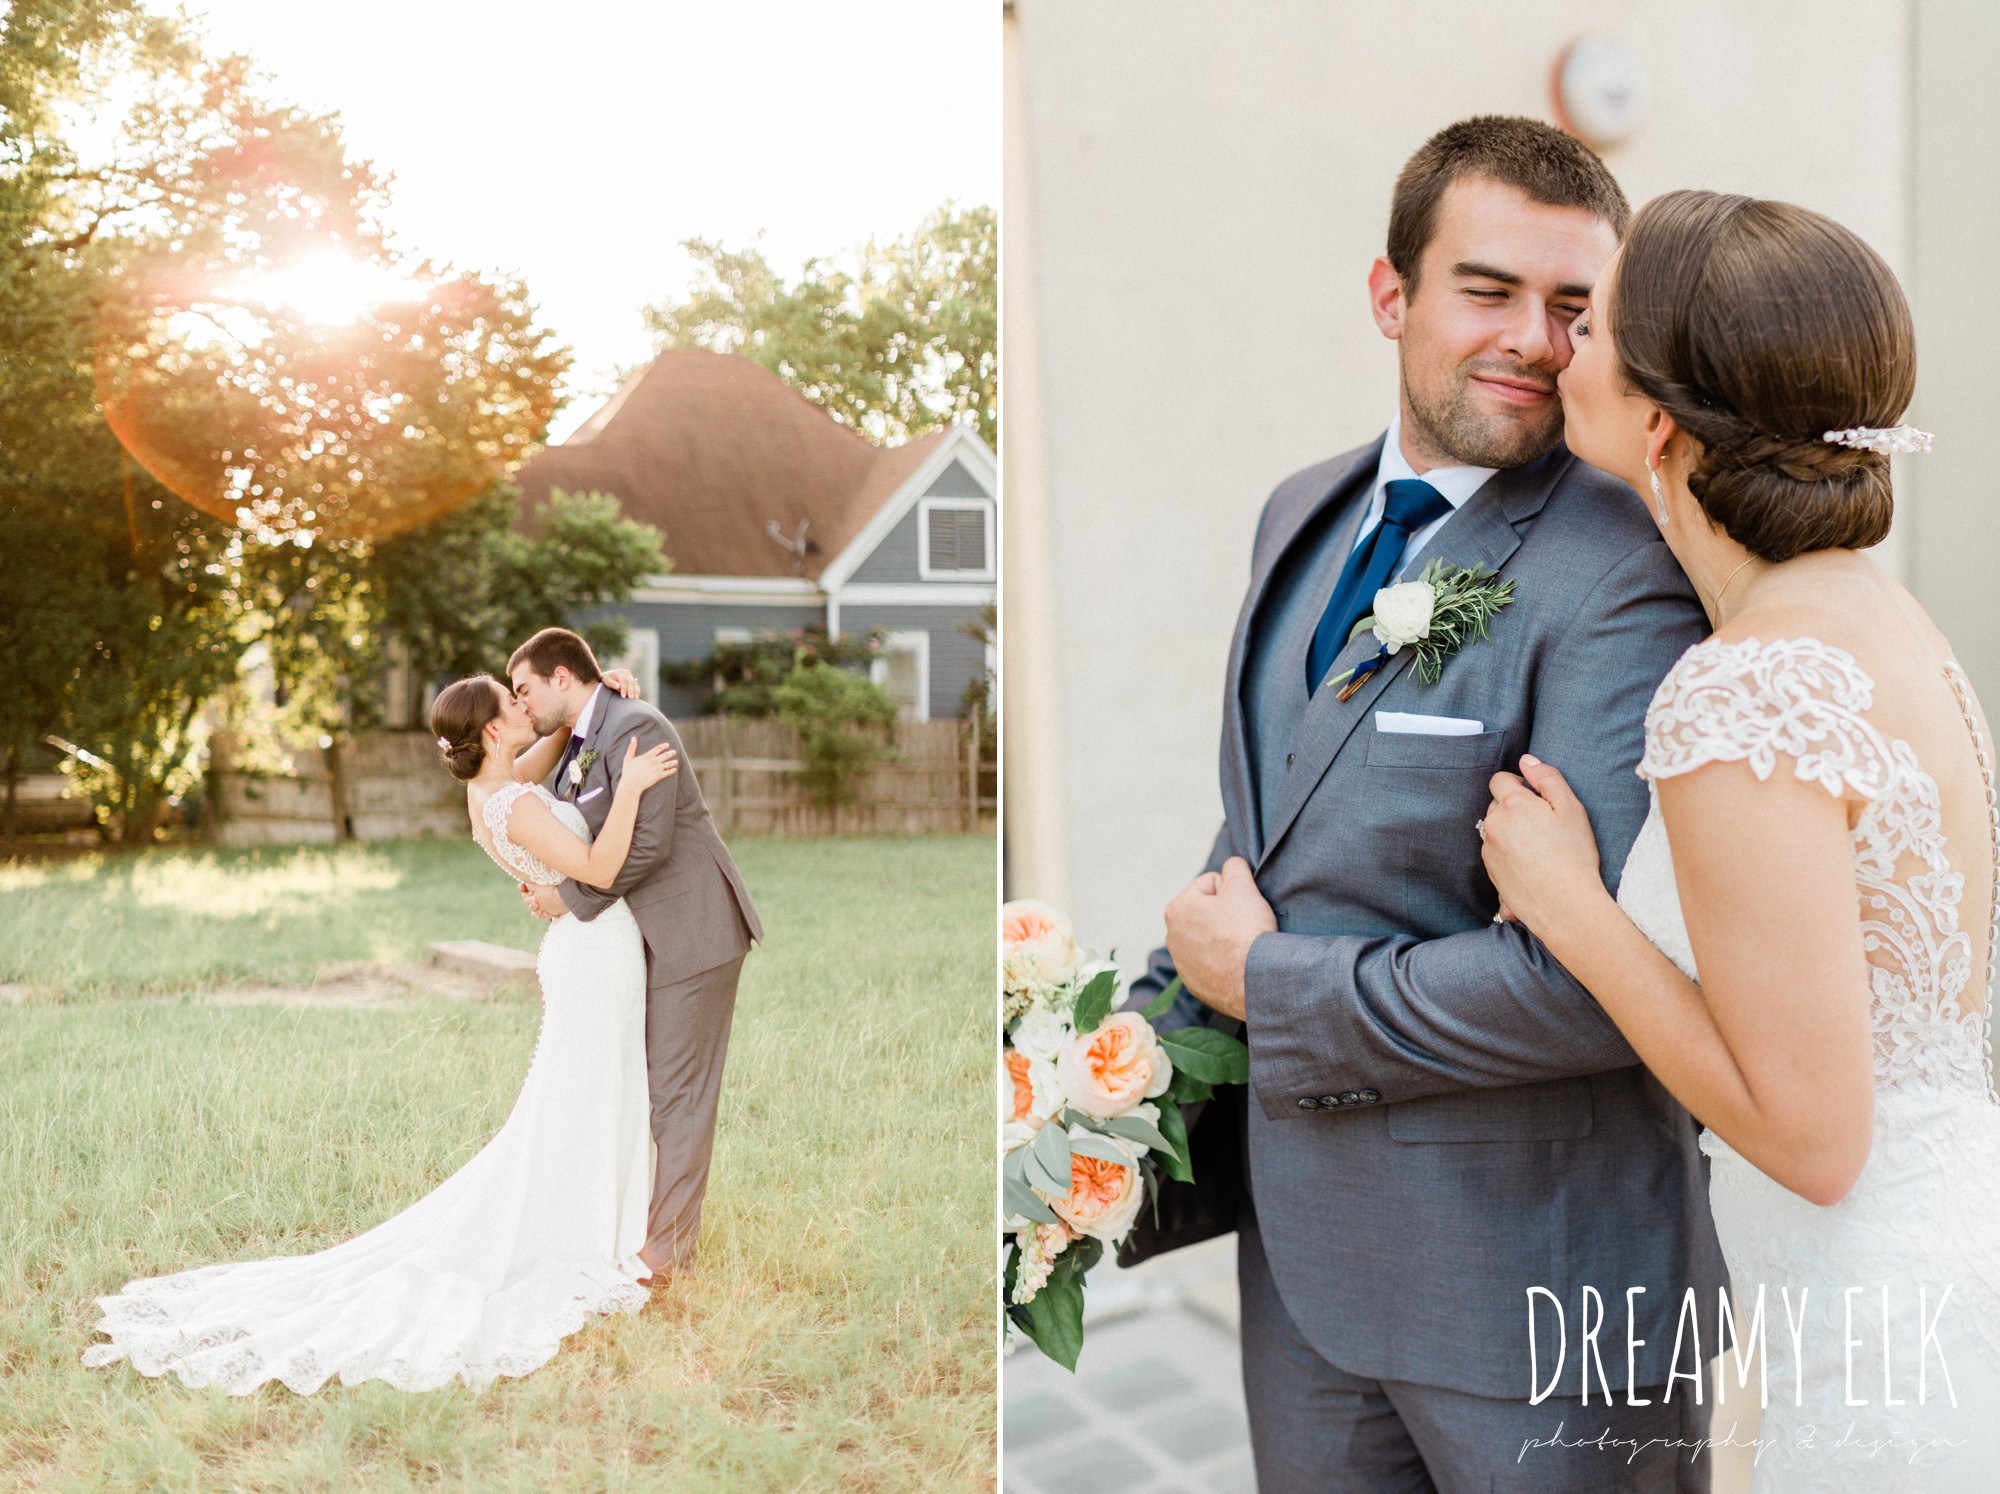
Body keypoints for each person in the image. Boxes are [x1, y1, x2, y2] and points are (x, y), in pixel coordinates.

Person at [1123, 116, 1724, 1491]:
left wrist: (1270, 983)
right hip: (1305, 1280)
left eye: (1575, 306)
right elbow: (1272, 834)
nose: (1533, 338)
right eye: (1489, 289)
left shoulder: (1628, 565)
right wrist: (1093, 1092)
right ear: (1392, 295)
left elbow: (1600, 985)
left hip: (1543, 1291)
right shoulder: (1299, 512)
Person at [1478, 188, 2000, 1489]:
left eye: (1589, 321)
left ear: (1657, 418)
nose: (1553, 345)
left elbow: (1816, 1137)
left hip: (1872, 1327)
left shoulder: (1746, 687)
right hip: (1932, 1257)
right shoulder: (1881, 618)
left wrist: (1574, 910)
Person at [83, 668, 679, 1393]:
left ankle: (606, 1215)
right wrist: (638, 785)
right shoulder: (515, 804)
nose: (526, 706)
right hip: (591, 957)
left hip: (588, 952)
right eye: (511, 702)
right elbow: (597, 864)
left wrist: (598, 697)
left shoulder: (496, 790)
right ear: (493, 730)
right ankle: (590, 1229)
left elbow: (556, 741)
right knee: (582, 1096)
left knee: (587, 1094)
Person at [506, 627, 762, 1277]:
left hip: (691, 931)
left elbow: (647, 845)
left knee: (677, 1095)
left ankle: (669, 1253)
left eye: (525, 689)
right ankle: (641, 1226)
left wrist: (568, 897)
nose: (521, 704)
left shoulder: (634, 726)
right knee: (649, 1088)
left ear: (562, 677)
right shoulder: (590, 735)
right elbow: (575, 815)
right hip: (646, 937)